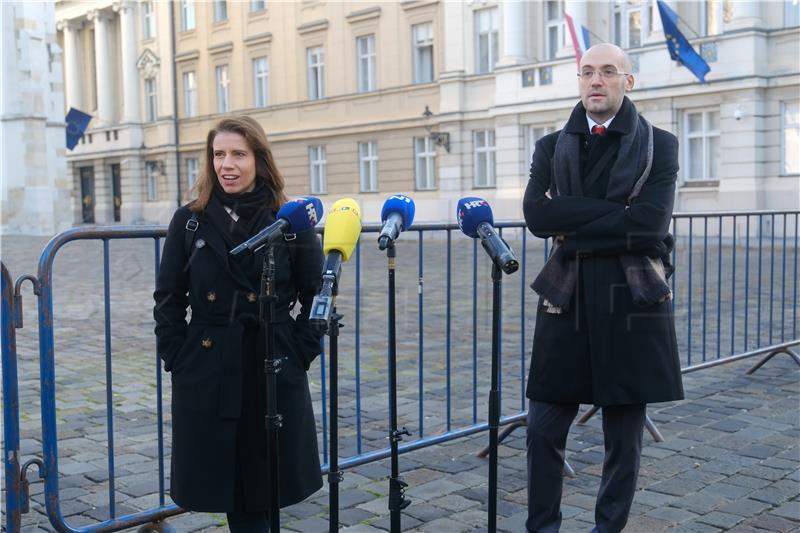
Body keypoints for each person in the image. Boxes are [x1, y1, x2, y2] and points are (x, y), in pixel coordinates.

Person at [522, 43, 684, 533]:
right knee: (543, 429)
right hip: (565, 298)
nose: (596, 80)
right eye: (587, 72)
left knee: (623, 441)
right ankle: (542, 528)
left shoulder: (661, 144)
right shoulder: (551, 146)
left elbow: (651, 226)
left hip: (630, 300)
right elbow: (537, 217)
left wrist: (572, 221)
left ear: (627, 82)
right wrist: (617, 218)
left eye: (608, 72)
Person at [153, 116, 324, 532]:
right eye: (218, 154)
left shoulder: (290, 222)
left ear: (258, 160)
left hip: (274, 359)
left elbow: (318, 292)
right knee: (234, 484)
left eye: (238, 154)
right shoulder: (189, 220)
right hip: (210, 365)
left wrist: (301, 349)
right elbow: (168, 298)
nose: (226, 164)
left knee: (266, 477)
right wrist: (177, 355)